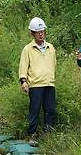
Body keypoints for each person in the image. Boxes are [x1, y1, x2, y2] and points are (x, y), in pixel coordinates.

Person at [19, 17, 57, 146]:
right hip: (35, 84)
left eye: (42, 31)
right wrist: (24, 81)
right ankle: (32, 134)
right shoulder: (28, 49)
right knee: (34, 110)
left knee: (50, 110)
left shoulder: (51, 48)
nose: (41, 34)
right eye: (38, 32)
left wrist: (52, 77)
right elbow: (23, 66)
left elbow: (53, 64)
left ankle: (48, 134)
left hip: (49, 83)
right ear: (32, 33)